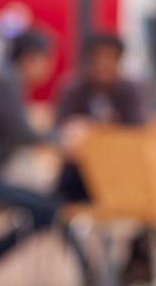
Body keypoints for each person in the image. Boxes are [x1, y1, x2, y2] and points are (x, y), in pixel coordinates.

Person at [0, 30, 90, 286]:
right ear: (30, 58)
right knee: (52, 209)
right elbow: (23, 134)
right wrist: (64, 138)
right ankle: (91, 277)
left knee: (47, 209)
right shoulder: (3, 82)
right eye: (45, 60)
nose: (48, 68)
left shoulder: (5, 81)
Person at [53, 32, 146, 203]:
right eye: (99, 58)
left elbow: (137, 132)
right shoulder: (73, 90)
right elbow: (60, 131)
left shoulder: (129, 91)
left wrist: (99, 130)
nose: (105, 65)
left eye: (112, 59)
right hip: (79, 171)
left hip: (119, 171)